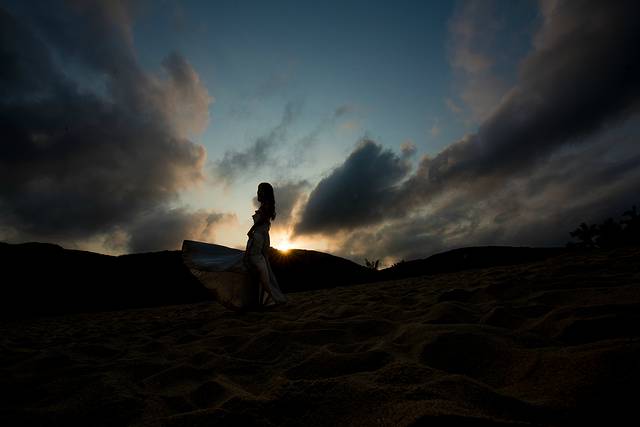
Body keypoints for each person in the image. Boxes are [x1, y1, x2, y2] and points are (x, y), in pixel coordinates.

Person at [243, 182, 288, 307]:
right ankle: (263, 299)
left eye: (260, 190)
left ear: (265, 193)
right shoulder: (266, 206)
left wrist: (251, 230)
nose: (258, 193)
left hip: (258, 238)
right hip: (262, 238)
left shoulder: (266, 206)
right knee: (259, 266)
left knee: (255, 264)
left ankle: (270, 297)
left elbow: (262, 220)